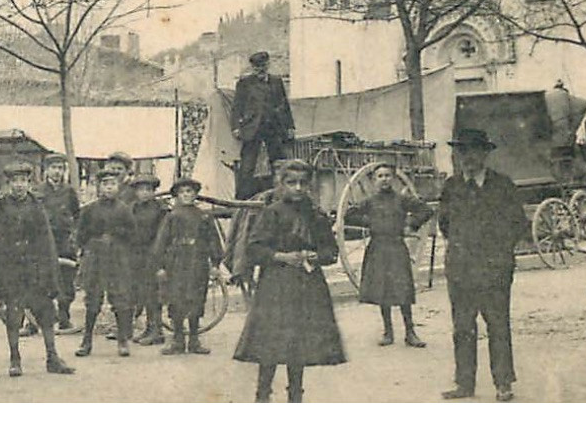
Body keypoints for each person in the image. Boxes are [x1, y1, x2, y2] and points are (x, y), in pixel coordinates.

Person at [232, 159, 345, 402]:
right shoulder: (271, 213)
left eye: (303, 183)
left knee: (299, 342)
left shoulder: (316, 215)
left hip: (307, 285)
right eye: (291, 182)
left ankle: (296, 396)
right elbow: (254, 249)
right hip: (276, 284)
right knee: (270, 341)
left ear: (309, 186)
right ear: (281, 184)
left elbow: (330, 252)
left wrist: (316, 256)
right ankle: (263, 394)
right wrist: (282, 256)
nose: (298, 188)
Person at [437, 128, 528, 402]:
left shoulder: (503, 185)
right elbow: (445, 224)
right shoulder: (452, 187)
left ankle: (503, 383)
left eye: (474, 150)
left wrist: (500, 256)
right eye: (462, 151)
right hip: (461, 270)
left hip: (494, 270)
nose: (468, 156)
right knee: (463, 327)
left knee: (498, 325)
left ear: (485, 153)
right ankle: (465, 384)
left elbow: (518, 224)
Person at [0, 160, 75, 377]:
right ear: (8, 184)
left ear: (29, 182)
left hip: (34, 269)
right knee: (13, 314)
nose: (19, 185)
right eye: (15, 181)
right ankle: (15, 358)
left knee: (45, 311)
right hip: (10, 269)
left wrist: (48, 270)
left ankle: (52, 357)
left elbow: (46, 240)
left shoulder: (37, 206)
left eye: (24, 181)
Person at [354, 162, 434, 348]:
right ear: (374, 180)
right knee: (383, 291)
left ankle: (410, 332)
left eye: (388, 176)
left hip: (397, 247)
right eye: (380, 176)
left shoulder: (401, 199)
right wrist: (370, 223)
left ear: (394, 179)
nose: (384, 180)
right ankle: (388, 332)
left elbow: (426, 210)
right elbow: (350, 215)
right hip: (378, 248)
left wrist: (411, 225)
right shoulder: (370, 201)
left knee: (403, 290)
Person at [152, 176, 225, 356]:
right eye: (182, 192)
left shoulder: (204, 216)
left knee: (196, 298)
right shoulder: (171, 216)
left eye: (189, 192)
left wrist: (215, 263)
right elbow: (161, 242)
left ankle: (194, 339)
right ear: (177, 195)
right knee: (176, 298)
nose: (186, 195)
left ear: (195, 194)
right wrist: (160, 266)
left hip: (197, 261)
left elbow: (213, 241)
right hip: (176, 262)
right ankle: (177, 339)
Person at [75, 167, 137, 358]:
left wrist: (118, 237)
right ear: (99, 186)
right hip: (95, 257)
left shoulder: (124, 210)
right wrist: (88, 249)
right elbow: (80, 234)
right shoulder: (89, 209)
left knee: (120, 298)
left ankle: (122, 340)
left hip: (117, 257)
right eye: (105, 184)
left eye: (113, 184)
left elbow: (132, 235)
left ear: (118, 186)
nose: (109, 188)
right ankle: (86, 341)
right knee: (93, 299)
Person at [230, 51, 294, 200]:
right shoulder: (244, 83)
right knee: (248, 164)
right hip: (253, 127)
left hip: (274, 127)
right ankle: (242, 199)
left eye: (263, 66)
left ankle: (280, 193)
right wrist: (235, 127)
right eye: (256, 67)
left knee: (278, 161)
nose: (260, 70)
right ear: (252, 67)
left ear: (268, 65)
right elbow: (237, 107)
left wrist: (290, 126)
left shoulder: (276, 81)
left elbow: (284, 105)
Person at [37, 152, 80, 331]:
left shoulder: (69, 191)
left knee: (66, 280)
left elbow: (77, 215)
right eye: (53, 168)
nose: (57, 172)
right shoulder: (38, 191)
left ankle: (64, 317)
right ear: (46, 170)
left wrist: (74, 237)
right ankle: (35, 321)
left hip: (64, 242)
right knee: (40, 279)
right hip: (44, 241)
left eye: (61, 168)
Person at [127, 174, 168, 345]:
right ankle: (149, 328)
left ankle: (157, 330)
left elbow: (163, 234)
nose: (144, 193)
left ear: (153, 192)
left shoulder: (160, 209)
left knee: (153, 293)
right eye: (141, 190)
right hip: (136, 254)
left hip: (154, 254)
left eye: (148, 190)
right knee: (142, 293)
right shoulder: (132, 208)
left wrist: (157, 256)